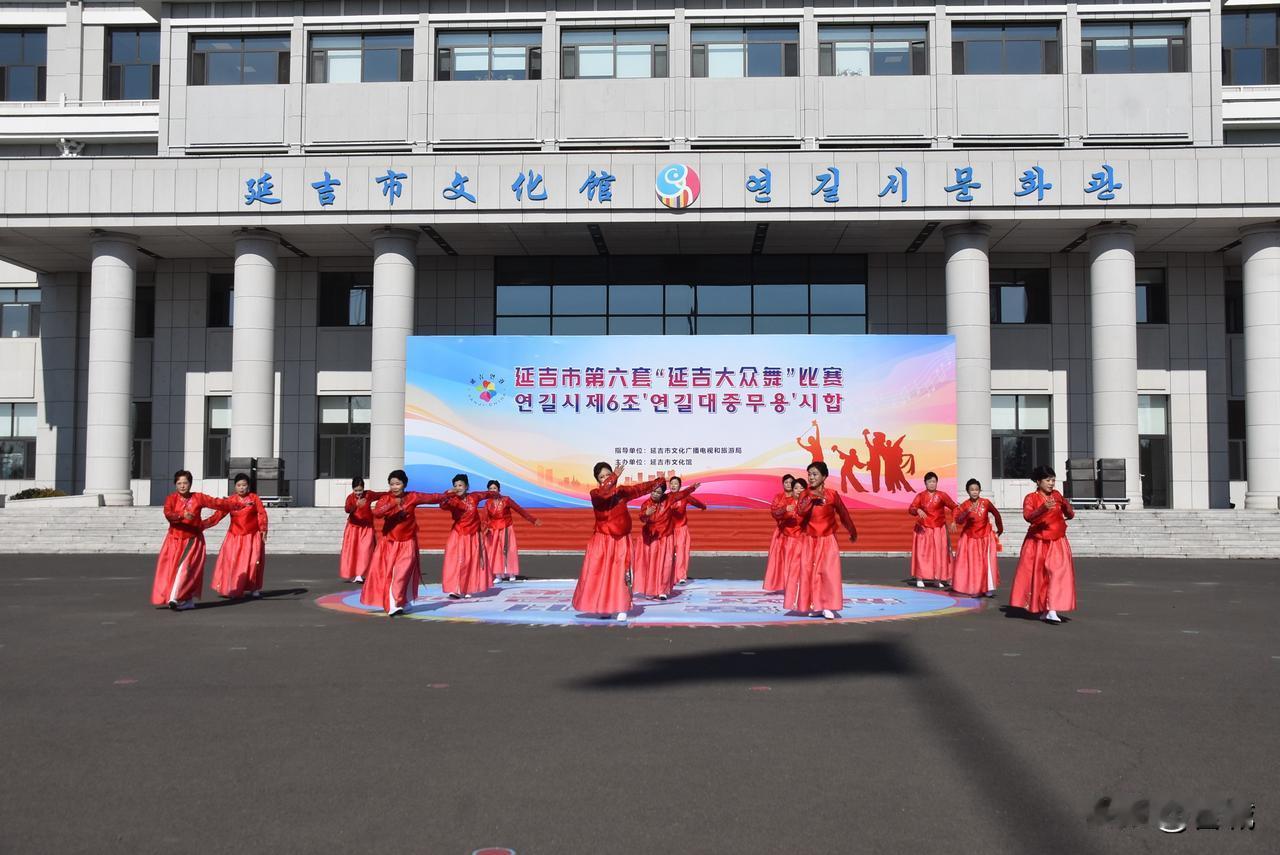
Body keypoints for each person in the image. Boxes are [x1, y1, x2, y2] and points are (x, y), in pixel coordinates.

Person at [572, 462, 665, 621]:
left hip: (621, 540)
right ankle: (604, 606)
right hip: (602, 540)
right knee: (601, 574)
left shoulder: (622, 492)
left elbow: (639, 489)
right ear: (598, 480)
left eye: (608, 474)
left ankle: (622, 606)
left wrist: (657, 482)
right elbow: (604, 493)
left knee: (621, 573)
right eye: (602, 477)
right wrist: (614, 476)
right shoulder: (595, 494)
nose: (606, 478)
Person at [361, 470, 449, 617]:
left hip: (408, 543)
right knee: (393, 575)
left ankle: (403, 600)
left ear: (405, 484)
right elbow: (377, 513)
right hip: (390, 543)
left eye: (398, 484)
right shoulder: (385, 499)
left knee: (404, 573)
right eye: (392, 484)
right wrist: (392, 504)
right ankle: (394, 605)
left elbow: (432, 498)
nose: (395, 487)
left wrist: (448, 494)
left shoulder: (412, 497)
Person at [150, 470, 239, 610]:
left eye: (185, 483)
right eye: (179, 483)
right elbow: (168, 514)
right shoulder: (171, 499)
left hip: (192, 540)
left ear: (190, 484)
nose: (182, 486)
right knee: (172, 570)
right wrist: (182, 515)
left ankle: (174, 598)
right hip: (173, 540)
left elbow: (216, 503)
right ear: (175, 484)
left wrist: (236, 504)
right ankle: (186, 599)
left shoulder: (198, 497)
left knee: (185, 569)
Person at [787, 461, 858, 619]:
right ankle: (816, 605)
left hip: (827, 539)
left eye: (815, 474)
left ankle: (829, 606)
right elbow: (800, 512)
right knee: (811, 573)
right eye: (809, 474)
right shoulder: (805, 494)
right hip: (810, 539)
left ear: (824, 476)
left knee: (829, 572)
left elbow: (843, 513)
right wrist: (811, 500)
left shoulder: (832, 494)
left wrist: (852, 530)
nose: (811, 477)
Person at [1010, 465, 1077, 624]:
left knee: (1057, 573)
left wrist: (1066, 507)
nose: (1051, 483)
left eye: (1053, 480)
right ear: (1038, 481)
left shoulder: (1057, 495)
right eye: (1048, 480)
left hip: (1057, 541)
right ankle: (1044, 609)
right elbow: (1028, 516)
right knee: (1040, 576)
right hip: (1037, 542)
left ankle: (1052, 609)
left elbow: (1069, 513)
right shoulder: (1031, 498)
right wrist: (1043, 508)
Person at [635, 479, 701, 600]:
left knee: (666, 563)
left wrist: (692, 488)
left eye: (658, 492)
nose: (655, 494)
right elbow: (642, 519)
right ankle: (651, 589)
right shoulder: (646, 504)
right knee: (652, 564)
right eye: (653, 491)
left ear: (662, 493)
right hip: (652, 538)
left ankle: (662, 590)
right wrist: (646, 514)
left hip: (666, 537)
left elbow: (682, 494)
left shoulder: (668, 499)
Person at [207, 472, 269, 600]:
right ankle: (233, 587)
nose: (241, 488)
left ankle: (254, 588)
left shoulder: (254, 498)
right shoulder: (230, 500)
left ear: (248, 486)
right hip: (234, 536)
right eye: (239, 485)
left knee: (253, 563)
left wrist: (263, 528)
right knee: (232, 562)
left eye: (244, 485)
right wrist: (202, 524)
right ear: (235, 486)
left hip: (251, 536)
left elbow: (261, 513)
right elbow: (218, 515)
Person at [440, 474, 492, 598]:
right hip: (459, 534)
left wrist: (495, 494)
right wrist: (447, 493)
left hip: (473, 535)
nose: (458, 488)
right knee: (457, 561)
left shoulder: (474, 497)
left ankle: (469, 588)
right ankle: (455, 589)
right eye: (455, 486)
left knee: (471, 562)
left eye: (460, 485)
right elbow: (443, 505)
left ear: (466, 486)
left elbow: (486, 494)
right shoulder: (453, 500)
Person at [951, 479, 1004, 598]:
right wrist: (967, 511)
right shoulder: (965, 505)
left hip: (986, 536)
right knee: (974, 564)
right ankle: (975, 587)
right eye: (972, 490)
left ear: (980, 490)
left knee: (987, 563)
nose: (974, 492)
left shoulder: (986, 502)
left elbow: (996, 513)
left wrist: (1000, 529)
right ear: (967, 491)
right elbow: (959, 520)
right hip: (971, 538)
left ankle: (988, 587)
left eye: (976, 489)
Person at [482, 479, 541, 583]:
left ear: (499, 490)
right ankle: (498, 575)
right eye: (490, 489)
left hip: (506, 528)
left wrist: (532, 520)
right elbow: (484, 518)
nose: (492, 490)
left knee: (509, 550)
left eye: (494, 488)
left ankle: (511, 573)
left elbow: (519, 510)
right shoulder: (488, 503)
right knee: (495, 552)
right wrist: (484, 529)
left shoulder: (506, 500)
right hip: (494, 530)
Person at [907, 471, 958, 589]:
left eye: (934, 481)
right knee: (922, 554)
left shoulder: (942, 495)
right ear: (925, 483)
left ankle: (937, 578)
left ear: (937, 483)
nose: (932, 484)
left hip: (938, 529)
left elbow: (954, 507)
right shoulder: (920, 496)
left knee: (939, 554)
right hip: (924, 529)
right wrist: (917, 510)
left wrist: (954, 520)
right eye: (929, 482)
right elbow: (911, 508)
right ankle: (920, 578)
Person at [339, 477, 382, 584]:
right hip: (353, 528)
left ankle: (361, 573)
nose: (358, 493)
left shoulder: (369, 494)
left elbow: (380, 495)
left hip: (367, 528)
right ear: (353, 489)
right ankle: (355, 573)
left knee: (365, 551)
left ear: (363, 488)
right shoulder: (350, 498)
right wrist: (356, 505)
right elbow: (347, 509)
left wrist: (393, 493)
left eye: (360, 490)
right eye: (356, 490)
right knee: (353, 551)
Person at [667, 474, 706, 585]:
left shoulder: (685, 496)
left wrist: (703, 506)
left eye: (676, 484)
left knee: (681, 553)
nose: (673, 486)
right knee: (668, 553)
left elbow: (695, 502)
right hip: (668, 530)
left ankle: (681, 576)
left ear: (680, 486)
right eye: (671, 484)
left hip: (681, 528)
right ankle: (668, 575)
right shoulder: (666, 497)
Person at [763, 474, 797, 592]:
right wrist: (785, 509)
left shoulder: (797, 497)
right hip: (781, 533)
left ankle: (793, 583)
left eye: (790, 482)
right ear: (783, 484)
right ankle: (779, 584)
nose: (788, 484)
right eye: (786, 482)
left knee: (793, 559)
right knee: (779, 560)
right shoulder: (778, 497)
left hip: (795, 532)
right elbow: (774, 512)